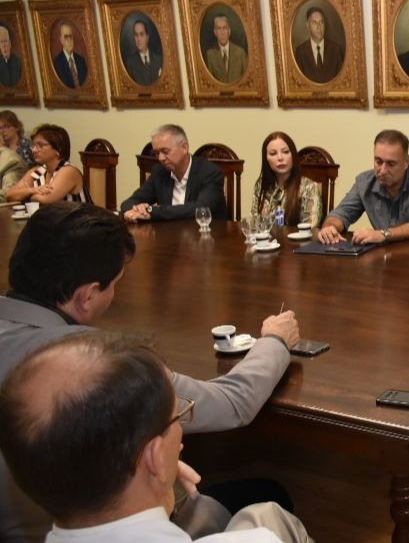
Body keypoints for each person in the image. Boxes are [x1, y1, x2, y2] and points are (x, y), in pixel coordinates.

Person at [0, 202, 302, 541]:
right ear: (86, 296)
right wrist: (275, 341)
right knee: (271, 501)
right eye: (114, 284)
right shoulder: (97, 365)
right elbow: (233, 402)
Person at [0, 331, 313, 542]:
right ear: (153, 458)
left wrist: (149, 486)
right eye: (177, 417)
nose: (181, 439)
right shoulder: (261, 533)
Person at [317, 129, 409, 245]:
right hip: (386, 257)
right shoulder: (365, 182)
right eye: (378, 162)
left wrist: (383, 234)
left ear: (406, 162)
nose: (382, 170)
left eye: (391, 164)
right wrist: (330, 227)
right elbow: (340, 214)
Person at [121, 124, 228, 222]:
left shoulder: (210, 172)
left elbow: (200, 209)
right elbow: (129, 203)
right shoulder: (159, 172)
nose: (161, 158)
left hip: (205, 237)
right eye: (157, 153)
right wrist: (137, 210)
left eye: (165, 152)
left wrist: (151, 210)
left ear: (184, 147)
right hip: (168, 236)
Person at [5, 124, 91, 204]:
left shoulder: (68, 171)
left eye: (40, 145)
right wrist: (31, 190)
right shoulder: (37, 171)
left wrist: (25, 194)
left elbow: (47, 200)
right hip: (52, 219)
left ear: (58, 149)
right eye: (34, 145)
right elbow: (9, 195)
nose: (34, 150)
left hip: (79, 219)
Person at [252, 132, 323, 228]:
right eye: (273, 153)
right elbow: (254, 222)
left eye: (285, 152)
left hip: (297, 242)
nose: (280, 158)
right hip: (266, 242)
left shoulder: (309, 187)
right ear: (266, 159)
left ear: (293, 155)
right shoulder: (261, 185)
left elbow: (310, 227)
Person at [293, 7, 344, 84]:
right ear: (307, 25)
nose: (319, 27)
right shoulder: (300, 52)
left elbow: (342, 82)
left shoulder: (336, 49)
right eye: (315, 22)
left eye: (321, 22)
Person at [204, 14, 247, 84]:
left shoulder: (240, 53)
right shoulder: (210, 54)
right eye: (219, 28)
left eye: (224, 28)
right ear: (215, 32)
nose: (222, 32)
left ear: (229, 31)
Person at [124, 19, 163, 86]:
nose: (138, 39)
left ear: (147, 37)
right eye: (136, 35)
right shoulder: (130, 62)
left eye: (141, 34)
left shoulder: (158, 59)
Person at [52, 24, 88, 88]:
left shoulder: (81, 60)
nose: (69, 40)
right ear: (61, 40)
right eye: (66, 37)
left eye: (70, 36)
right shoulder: (57, 63)